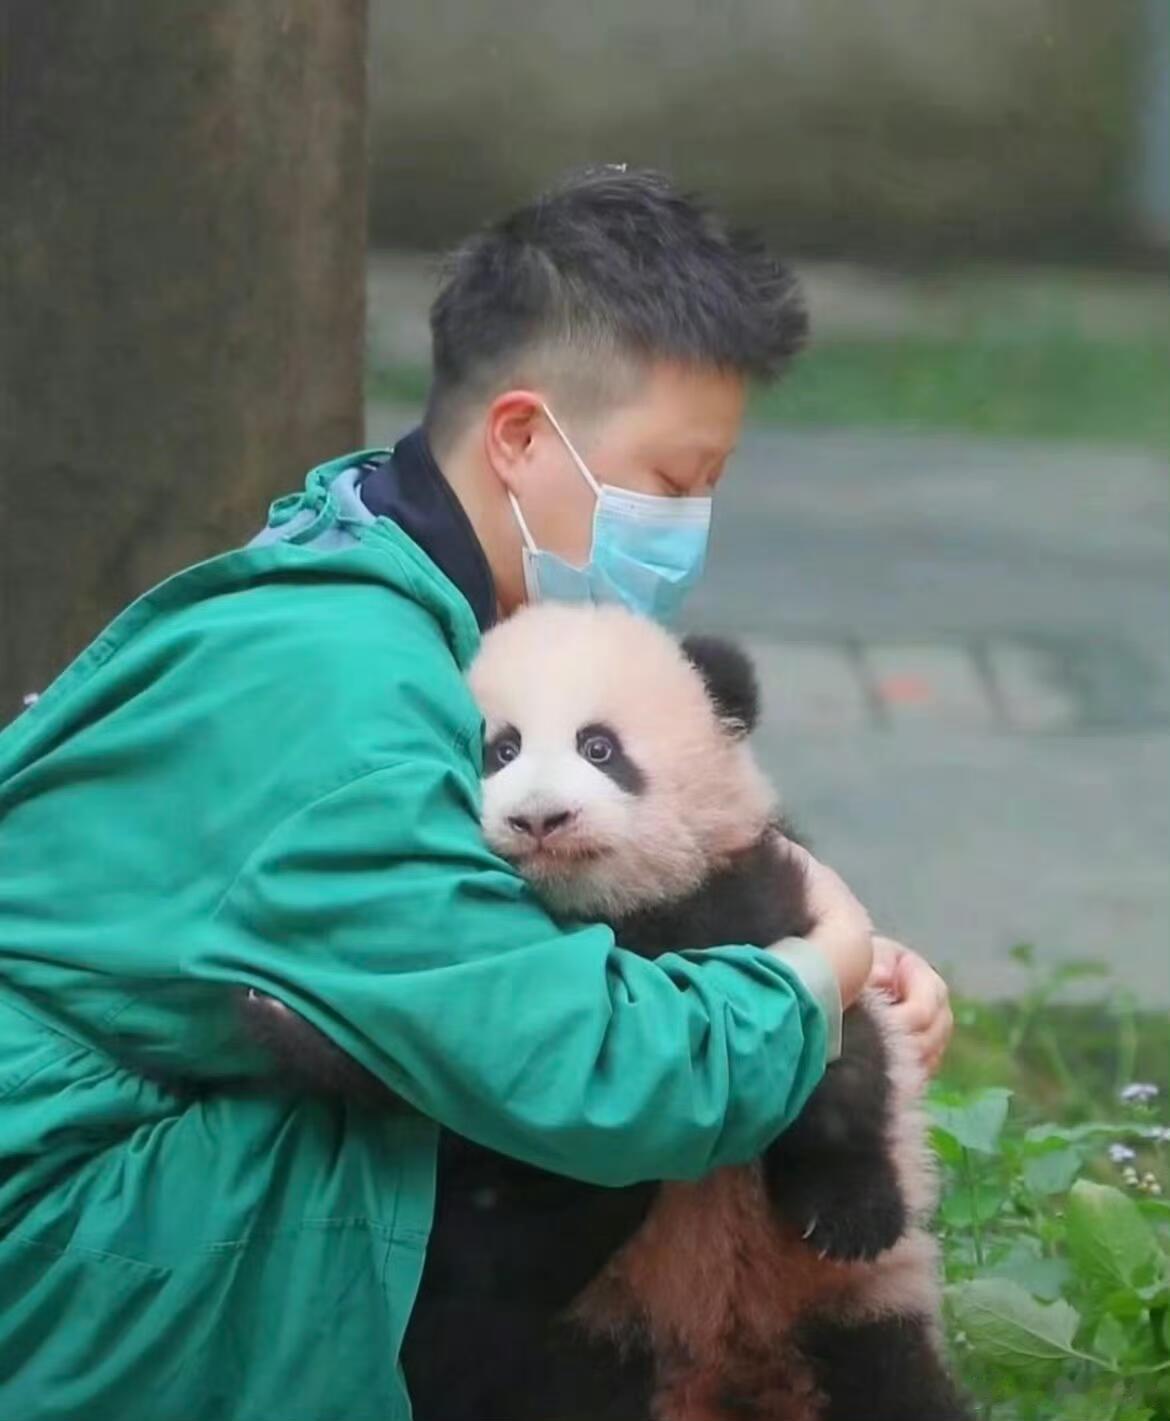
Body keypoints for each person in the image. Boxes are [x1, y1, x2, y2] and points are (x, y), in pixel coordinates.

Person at [0, 167, 951, 1419]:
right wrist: (813, 977)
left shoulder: (396, 579)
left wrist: (840, 964)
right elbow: (580, 1068)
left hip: (136, 1153)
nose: (689, 523)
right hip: (71, 1246)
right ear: (518, 437)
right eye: (671, 480)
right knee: (552, 1149)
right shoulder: (347, 690)